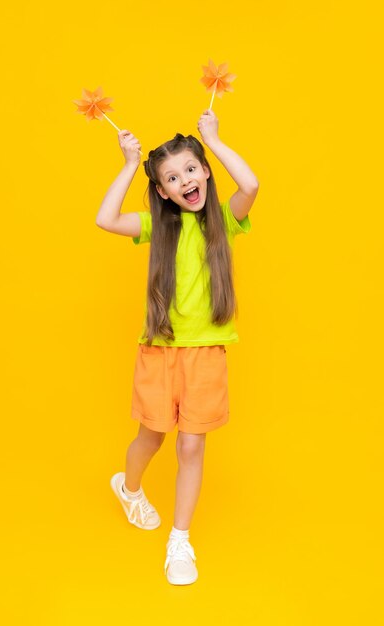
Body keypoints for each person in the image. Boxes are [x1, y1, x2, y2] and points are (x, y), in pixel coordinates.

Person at [96, 109, 259, 585]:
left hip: (207, 353)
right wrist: (129, 164)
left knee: (191, 445)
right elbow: (105, 218)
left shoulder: (225, 221)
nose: (185, 179)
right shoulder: (157, 226)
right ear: (163, 191)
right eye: (171, 177)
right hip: (160, 351)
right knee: (152, 438)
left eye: (191, 168)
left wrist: (215, 139)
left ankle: (179, 540)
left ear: (205, 171)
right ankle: (128, 489)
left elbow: (250, 186)